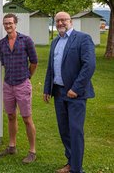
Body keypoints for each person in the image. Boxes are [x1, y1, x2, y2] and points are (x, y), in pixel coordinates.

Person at [43, 12, 95, 173]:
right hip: (58, 92)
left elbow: (89, 66)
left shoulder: (83, 39)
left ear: (70, 21)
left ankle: (77, 169)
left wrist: (75, 89)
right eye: (58, 20)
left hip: (75, 94)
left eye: (63, 20)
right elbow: (51, 68)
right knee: (64, 130)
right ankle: (71, 163)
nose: (60, 23)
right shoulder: (55, 42)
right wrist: (47, 89)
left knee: (75, 131)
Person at [0, 13, 38, 164]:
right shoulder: (1, 43)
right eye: (5, 23)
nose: (8, 26)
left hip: (22, 83)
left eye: (10, 23)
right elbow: (3, 63)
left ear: (15, 24)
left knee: (27, 118)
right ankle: (12, 146)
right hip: (8, 84)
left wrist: (28, 77)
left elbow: (34, 62)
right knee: (11, 116)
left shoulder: (26, 40)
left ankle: (32, 151)